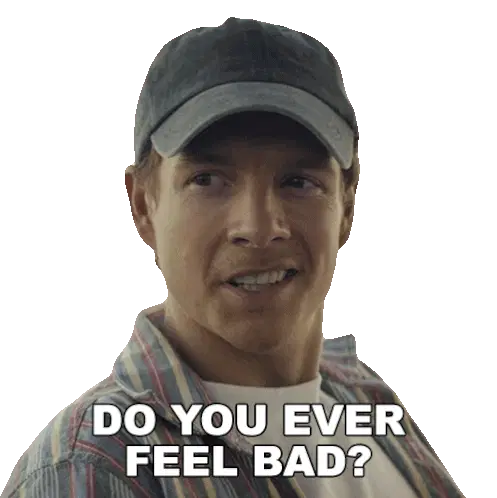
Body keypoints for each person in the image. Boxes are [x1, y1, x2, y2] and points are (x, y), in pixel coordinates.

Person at [7, 18, 463, 498]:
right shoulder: (92, 470)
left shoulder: (369, 404)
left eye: (298, 181)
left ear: (346, 206)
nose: (259, 228)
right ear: (143, 204)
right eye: (207, 180)